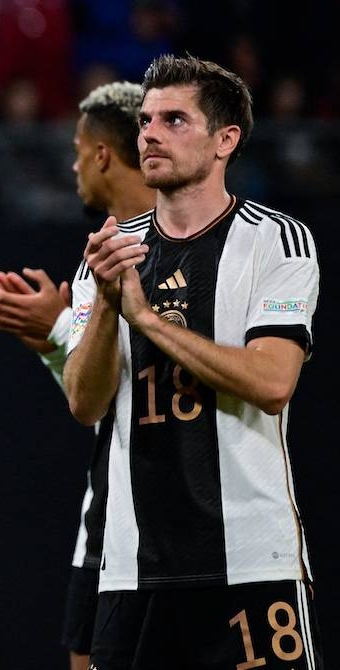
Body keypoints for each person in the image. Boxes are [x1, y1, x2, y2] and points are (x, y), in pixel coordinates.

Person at [65, 55, 322, 669]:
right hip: (132, 570)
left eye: (174, 120)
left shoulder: (277, 241)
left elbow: (273, 380)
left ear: (224, 140)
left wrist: (148, 321)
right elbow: (84, 401)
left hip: (249, 563)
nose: (150, 133)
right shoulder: (106, 255)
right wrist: (105, 304)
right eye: (146, 121)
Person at [0, 81, 155, 670]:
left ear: (103, 153)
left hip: (178, 517)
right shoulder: (92, 260)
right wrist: (48, 339)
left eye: (78, 149)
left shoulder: (185, 243)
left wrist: (57, 330)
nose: (74, 164)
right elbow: (93, 401)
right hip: (107, 514)